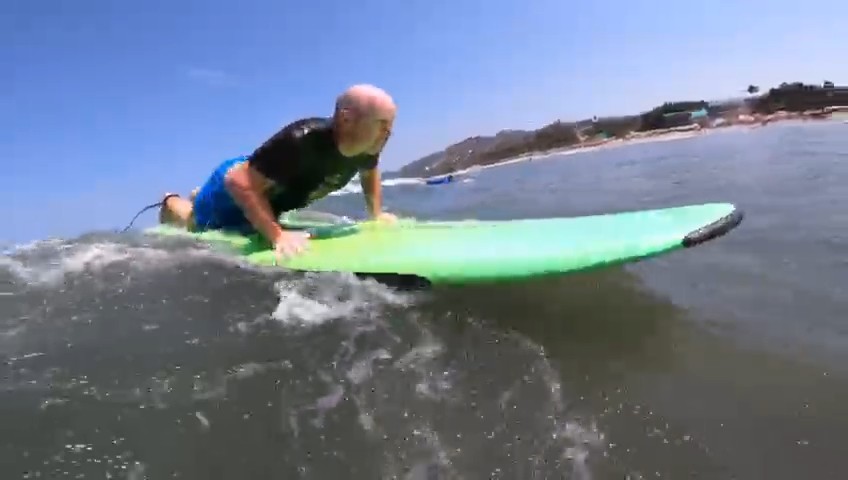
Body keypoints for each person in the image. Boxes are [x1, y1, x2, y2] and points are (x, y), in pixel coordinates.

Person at [158, 84, 398, 260]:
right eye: (383, 124)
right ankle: (172, 200)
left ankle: (198, 194)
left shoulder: (367, 146)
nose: (389, 133)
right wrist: (278, 236)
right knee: (195, 222)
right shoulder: (301, 141)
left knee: (255, 207)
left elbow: (369, 172)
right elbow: (238, 182)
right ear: (347, 120)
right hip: (233, 187)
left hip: (263, 178)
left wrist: (375, 215)